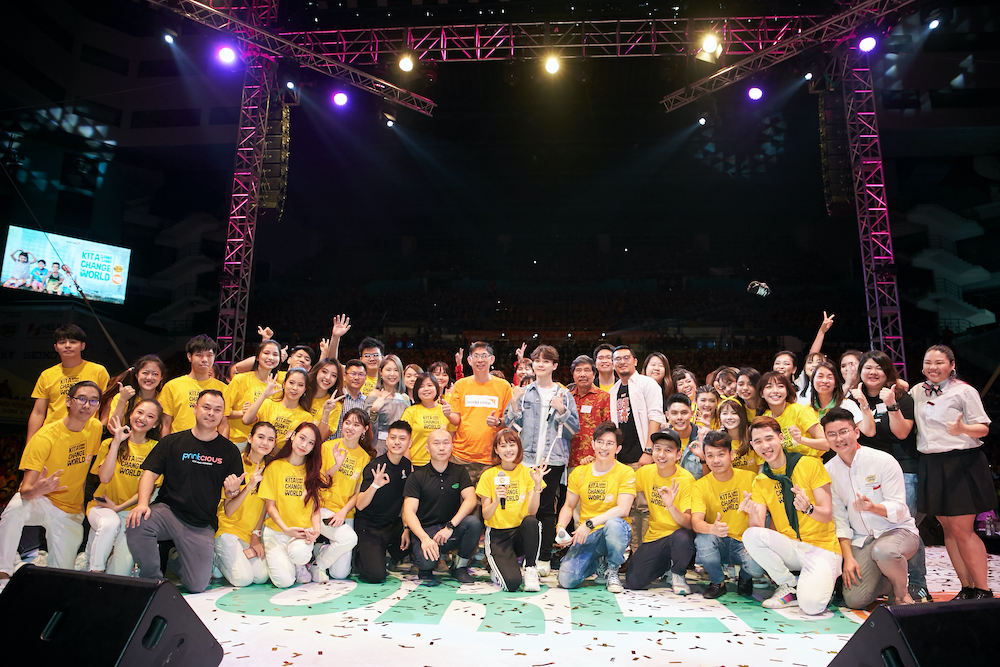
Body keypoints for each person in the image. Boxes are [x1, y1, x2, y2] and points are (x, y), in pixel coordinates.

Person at [125, 390, 244, 593]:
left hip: (200, 523)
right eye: (206, 407)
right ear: (195, 408)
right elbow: (149, 474)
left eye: (217, 410)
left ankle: (178, 561)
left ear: (222, 415)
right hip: (168, 512)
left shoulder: (230, 451)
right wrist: (143, 504)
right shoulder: (172, 442)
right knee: (138, 521)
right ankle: (152, 580)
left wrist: (232, 492)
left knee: (197, 585)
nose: (211, 413)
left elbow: (230, 502)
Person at [910, 345, 995, 599]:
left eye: (939, 362)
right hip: (931, 463)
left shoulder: (964, 391)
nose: (933, 367)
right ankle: (967, 587)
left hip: (960, 463)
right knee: (948, 530)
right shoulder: (917, 391)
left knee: (962, 530)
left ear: (952, 365)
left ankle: (983, 589)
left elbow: (983, 428)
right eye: (928, 362)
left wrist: (962, 429)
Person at [0, 381, 103, 582]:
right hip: (42, 500)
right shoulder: (45, 437)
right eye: (81, 399)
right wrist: (38, 490)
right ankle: (3, 571)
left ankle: (28, 570)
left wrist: (81, 504)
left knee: (61, 578)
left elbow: (82, 469)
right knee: (15, 508)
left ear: (98, 406)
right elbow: (25, 491)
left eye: (93, 401)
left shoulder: (95, 428)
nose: (86, 405)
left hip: (69, 511)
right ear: (68, 401)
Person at [741, 416, 842, 615]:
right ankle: (789, 585)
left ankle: (818, 584)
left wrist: (809, 509)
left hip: (820, 546)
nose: (765, 446)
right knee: (750, 535)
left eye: (769, 438)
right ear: (753, 446)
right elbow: (758, 526)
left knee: (812, 607)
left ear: (781, 438)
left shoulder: (810, 464)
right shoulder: (761, 480)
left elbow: (826, 514)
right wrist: (751, 513)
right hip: (790, 546)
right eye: (758, 441)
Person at [823, 408, 919, 608]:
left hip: (897, 530)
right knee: (855, 600)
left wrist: (873, 507)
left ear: (856, 432)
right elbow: (839, 520)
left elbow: (900, 508)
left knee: (884, 551)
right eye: (831, 434)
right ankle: (888, 577)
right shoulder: (828, 471)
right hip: (862, 539)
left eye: (843, 432)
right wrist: (848, 558)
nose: (838, 439)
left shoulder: (883, 461)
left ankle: (901, 594)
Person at [856, 350, 930, 602]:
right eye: (868, 367)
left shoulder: (900, 396)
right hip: (869, 473)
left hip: (904, 469)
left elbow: (901, 433)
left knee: (904, 527)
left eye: (879, 367)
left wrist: (891, 404)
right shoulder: (855, 398)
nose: (873, 372)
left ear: (888, 372)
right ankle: (886, 582)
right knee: (875, 528)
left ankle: (918, 583)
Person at [503, 345, 579, 577]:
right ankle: (524, 555)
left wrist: (562, 411)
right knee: (524, 509)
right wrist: (514, 404)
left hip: (552, 460)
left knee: (546, 510)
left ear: (554, 365)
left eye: (546, 361)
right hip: (526, 460)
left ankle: (544, 557)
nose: (540, 364)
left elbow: (573, 431)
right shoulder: (524, 392)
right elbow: (510, 427)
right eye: (537, 360)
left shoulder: (564, 394)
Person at [555, 422, 636, 593]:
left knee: (614, 524)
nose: (604, 447)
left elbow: (623, 509)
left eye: (610, 443)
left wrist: (589, 523)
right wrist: (560, 528)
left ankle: (612, 570)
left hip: (613, 531)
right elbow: (568, 506)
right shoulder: (579, 472)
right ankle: (597, 563)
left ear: (618, 448)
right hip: (588, 536)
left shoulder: (625, 472)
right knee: (566, 580)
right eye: (600, 442)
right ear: (592, 444)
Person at [86, 400, 162, 575]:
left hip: (131, 513)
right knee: (109, 523)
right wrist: (116, 442)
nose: (142, 418)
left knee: (120, 572)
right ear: (131, 414)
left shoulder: (156, 448)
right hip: (102, 507)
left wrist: (119, 507)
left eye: (150, 416)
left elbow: (149, 489)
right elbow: (104, 478)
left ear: (155, 424)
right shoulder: (108, 443)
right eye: (139, 412)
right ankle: (95, 574)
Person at [402, 429, 482, 585]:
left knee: (473, 523)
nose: (441, 448)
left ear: (452, 447)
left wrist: (450, 526)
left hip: (450, 530)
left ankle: (459, 567)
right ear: (427, 448)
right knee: (425, 562)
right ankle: (426, 566)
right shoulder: (417, 476)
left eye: (446, 443)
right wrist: (424, 538)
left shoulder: (459, 471)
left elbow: (471, 500)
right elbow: (409, 511)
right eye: (436, 443)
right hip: (426, 532)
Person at [690, 430, 763, 599]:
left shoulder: (750, 478)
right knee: (703, 539)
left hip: (744, 543)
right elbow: (696, 522)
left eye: (721, 454)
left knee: (757, 567)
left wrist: (753, 539)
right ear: (705, 458)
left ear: (731, 455)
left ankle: (745, 578)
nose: (716, 460)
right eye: (710, 455)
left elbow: (761, 518)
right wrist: (712, 529)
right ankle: (718, 582)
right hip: (719, 542)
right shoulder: (700, 486)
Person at [257, 422, 329, 588]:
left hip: (302, 532)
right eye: (302, 438)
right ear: (293, 436)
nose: (304, 445)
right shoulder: (274, 467)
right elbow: (270, 507)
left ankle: (300, 564)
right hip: (277, 532)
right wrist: (286, 529)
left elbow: (315, 508)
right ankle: (292, 564)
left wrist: (316, 531)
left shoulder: (313, 471)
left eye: (310, 443)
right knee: (284, 582)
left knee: (299, 554)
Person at [624, 429, 696, 593]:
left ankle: (678, 573)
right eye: (657, 449)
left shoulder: (686, 480)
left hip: (678, 536)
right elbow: (623, 486)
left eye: (668, 450)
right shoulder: (646, 472)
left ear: (678, 455)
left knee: (683, 537)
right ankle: (665, 566)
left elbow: (689, 523)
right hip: (655, 537)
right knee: (633, 581)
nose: (661, 455)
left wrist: (670, 506)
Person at [608, 345, 665, 550]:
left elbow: (656, 416)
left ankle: (647, 552)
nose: (622, 362)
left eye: (626, 358)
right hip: (622, 460)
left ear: (635, 361)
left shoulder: (647, 383)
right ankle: (633, 552)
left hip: (643, 456)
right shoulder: (613, 390)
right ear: (613, 364)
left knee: (645, 507)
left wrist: (648, 451)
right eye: (617, 359)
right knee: (629, 509)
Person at [477, 429, 547, 592]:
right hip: (498, 536)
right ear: (496, 450)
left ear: (519, 447)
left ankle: (530, 569)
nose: (508, 450)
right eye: (503, 446)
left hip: (520, 534)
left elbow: (532, 512)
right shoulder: (488, 475)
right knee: (512, 584)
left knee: (532, 522)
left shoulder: (528, 473)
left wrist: (537, 485)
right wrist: (496, 500)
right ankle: (494, 565)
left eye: (512, 444)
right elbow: (486, 515)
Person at [214, 421, 276, 588]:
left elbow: (264, 506)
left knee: (261, 577)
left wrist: (256, 536)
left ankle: (227, 562)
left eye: (270, 439)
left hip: (248, 535)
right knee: (243, 579)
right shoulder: (235, 462)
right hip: (228, 531)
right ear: (250, 438)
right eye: (260, 437)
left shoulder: (270, 468)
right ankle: (215, 559)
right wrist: (249, 486)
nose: (265, 442)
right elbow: (228, 511)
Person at [315, 408, 371, 581]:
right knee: (349, 539)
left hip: (345, 513)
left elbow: (357, 493)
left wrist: (343, 512)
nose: (350, 428)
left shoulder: (364, 457)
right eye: (347, 423)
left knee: (339, 574)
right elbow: (319, 481)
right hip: (322, 508)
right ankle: (318, 565)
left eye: (356, 425)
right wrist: (336, 465)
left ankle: (320, 550)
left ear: (364, 429)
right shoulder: (327, 447)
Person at [354, 421, 414, 584]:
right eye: (393, 437)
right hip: (370, 526)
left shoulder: (407, 465)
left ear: (409, 443)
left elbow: (406, 502)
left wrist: (406, 528)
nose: (397, 442)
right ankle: (359, 554)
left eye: (402, 438)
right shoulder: (375, 466)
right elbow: (359, 504)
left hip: (392, 524)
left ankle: (387, 553)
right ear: (386, 441)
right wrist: (375, 485)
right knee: (375, 576)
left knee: (419, 531)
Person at [448, 341, 513, 487]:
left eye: (484, 355)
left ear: (492, 359)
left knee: (491, 499)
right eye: (476, 356)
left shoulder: (504, 386)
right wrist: (447, 414)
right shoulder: (460, 385)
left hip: (492, 457)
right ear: (469, 360)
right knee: (462, 498)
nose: (480, 360)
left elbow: (510, 421)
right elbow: (456, 419)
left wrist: (497, 422)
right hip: (461, 456)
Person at [28, 324, 110, 440]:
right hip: (53, 435)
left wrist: (101, 428)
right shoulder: (47, 375)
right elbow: (38, 412)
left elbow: (107, 404)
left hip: (85, 435)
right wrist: (30, 443)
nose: (67, 345)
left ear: (82, 346)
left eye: (73, 342)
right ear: (56, 347)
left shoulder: (98, 371)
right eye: (62, 342)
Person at [158, 335, 229, 438]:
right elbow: (165, 423)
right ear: (189, 357)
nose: (204, 359)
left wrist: (222, 447)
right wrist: (166, 445)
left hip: (209, 444)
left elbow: (223, 423)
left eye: (209, 355)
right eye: (199, 355)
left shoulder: (223, 388)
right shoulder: (172, 386)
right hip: (179, 443)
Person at [225, 339, 282, 448]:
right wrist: (242, 413)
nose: (271, 357)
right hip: (237, 441)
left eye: (275, 354)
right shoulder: (240, 379)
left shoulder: (278, 388)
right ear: (257, 357)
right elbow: (223, 412)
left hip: (262, 445)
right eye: (266, 353)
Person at [758, 371, 828, 457]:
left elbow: (826, 444)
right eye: (769, 387)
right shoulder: (765, 419)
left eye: (780, 386)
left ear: (787, 391)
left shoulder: (800, 411)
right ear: (761, 393)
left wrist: (801, 439)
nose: (775, 391)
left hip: (811, 461)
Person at [241, 369, 315, 444]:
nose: (295, 388)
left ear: (304, 389)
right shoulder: (268, 404)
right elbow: (246, 420)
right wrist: (264, 394)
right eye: (291, 383)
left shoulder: (307, 418)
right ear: (284, 384)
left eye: (300, 385)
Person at [568, 355, 611, 470]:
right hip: (570, 460)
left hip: (595, 459)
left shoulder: (604, 397)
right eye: (578, 370)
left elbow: (609, 430)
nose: (582, 374)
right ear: (573, 375)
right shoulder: (567, 398)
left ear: (594, 374)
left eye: (587, 370)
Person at [402, 372, 454, 467]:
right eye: (421, 386)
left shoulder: (445, 411)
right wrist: (408, 465)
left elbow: (451, 440)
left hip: (441, 464)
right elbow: (404, 441)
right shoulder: (410, 411)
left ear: (436, 388)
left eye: (430, 385)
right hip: (416, 463)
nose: (426, 389)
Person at [100, 355, 167, 428]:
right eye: (145, 373)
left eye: (155, 374)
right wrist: (122, 400)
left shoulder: (164, 399)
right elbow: (113, 428)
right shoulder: (123, 397)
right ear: (136, 375)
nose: (149, 377)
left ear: (161, 377)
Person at [364, 355, 411, 457]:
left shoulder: (405, 398)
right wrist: (374, 410)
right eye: (388, 370)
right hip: (379, 447)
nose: (392, 374)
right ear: (381, 372)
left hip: (401, 448)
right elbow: (367, 428)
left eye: (396, 370)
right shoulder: (374, 395)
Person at [665, 394, 705, 480]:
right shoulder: (662, 439)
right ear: (667, 415)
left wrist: (703, 459)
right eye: (674, 413)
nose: (679, 417)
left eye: (684, 413)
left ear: (692, 414)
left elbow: (710, 477)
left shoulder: (703, 438)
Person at [717, 396, 762, 473]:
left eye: (734, 413)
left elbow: (761, 467)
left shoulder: (753, 436)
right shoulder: (718, 441)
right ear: (720, 418)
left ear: (742, 416)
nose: (729, 417)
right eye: (725, 413)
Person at [308, 357, 344, 441]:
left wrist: (326, 412)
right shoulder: (302, 393)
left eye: (333, 375)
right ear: (316, 371)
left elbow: (321, 437)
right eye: (324, 371)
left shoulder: (334, 405)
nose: (328, 377)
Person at [334, 360, 368, 438]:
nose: (356, 378)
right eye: (353, 374)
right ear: (344, 376)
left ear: (365, 378)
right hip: (334, 443)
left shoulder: (367, 402)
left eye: (361, 374)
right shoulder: (336, 397)